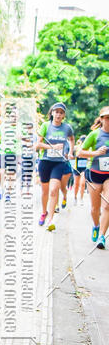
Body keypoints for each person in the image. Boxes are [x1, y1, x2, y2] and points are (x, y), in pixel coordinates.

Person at [36, 102, 75, 231]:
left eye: (61, 112)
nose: (58, 114)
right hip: (45, 161)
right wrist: (52, 147)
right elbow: (38, 145)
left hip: (59, 163)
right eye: (56, 112)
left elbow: (72, 138)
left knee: (54, 190)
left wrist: (70, 152)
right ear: (52, 113)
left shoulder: (67, 128)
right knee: (45, 191)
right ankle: (43, 212)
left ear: (64, 115)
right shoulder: (45, 126)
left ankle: (51, 219)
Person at [78, 106, 109, 248]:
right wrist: (96, 153)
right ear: (102, 119)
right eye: (107, 118)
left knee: (107, 205)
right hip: (95, 174)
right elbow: (80, 153)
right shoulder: (94, 135)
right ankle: (96, 226)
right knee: (94, 209)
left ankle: (102, 237)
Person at [72, 135, 87, 204]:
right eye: (82, 141)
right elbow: (71, 155)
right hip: (77, 168)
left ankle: (81, 198)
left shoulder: (88, 148)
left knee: (83, 183)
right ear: (80, 141)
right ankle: (75, 197)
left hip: (84, 168)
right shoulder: (75, 148)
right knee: (76, 184)